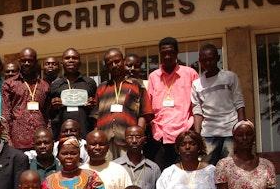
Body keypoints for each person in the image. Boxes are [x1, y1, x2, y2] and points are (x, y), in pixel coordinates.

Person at [147, 37, 199, 169]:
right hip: (160, 136)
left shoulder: (190, 74)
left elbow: (198, 104)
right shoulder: (153, 77)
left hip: (183, 135)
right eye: (163, 53)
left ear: (177, 53)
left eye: (170, 52)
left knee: (183, 176)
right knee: (162, 176)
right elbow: (149, 106)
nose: (167, 56)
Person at [92, 48, 153, 160]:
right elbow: (96, 117)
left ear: (124, 61)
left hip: (128, 142)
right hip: (106, 142)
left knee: (128, 174)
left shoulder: (137, 85)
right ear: (106, 67)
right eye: (110, 64)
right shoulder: (102, 87)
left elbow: (144, 114)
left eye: (117, 61)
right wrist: (96, 140)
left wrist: (137, 137)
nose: (114, 65)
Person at [192, 44, 246, 165]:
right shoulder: (197, 84)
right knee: (206, 169)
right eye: (204, 60)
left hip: (230, 132)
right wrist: (197, 135)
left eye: (210, 59)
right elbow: (197, 111)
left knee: (230, 168)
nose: (207, 62)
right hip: (208, 134)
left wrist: (241, 132)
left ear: (218, 58)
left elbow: (239, 104)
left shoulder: (229, 77)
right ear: (200, 61)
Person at [1, 47, 51, 150]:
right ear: (19, 62)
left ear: (36, 62)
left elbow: (47, 115)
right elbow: (6, 115)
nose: (27, 63)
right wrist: (8, 140)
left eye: (30, 60)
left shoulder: (44, 86)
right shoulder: (9, 84)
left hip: (41, 142)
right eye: (24, 61)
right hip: (18, 142)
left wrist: (49, 135)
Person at [49, 48, 97, 139]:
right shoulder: (55, 85)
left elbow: (97, 109)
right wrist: (53, 106)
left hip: (85, 131)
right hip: (61, 133)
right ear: (62, 63)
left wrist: (93, 105)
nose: (71, 60)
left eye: (74, 58)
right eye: (67, 58)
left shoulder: (89, 83)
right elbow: (49, 113)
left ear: (79, 62)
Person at [114, 125, 161, 189]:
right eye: (130, 137)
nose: (134, 140)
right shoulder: (115, 166)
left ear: (145, 140)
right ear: (124, 140)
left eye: (138, 137)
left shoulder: (154, 168)